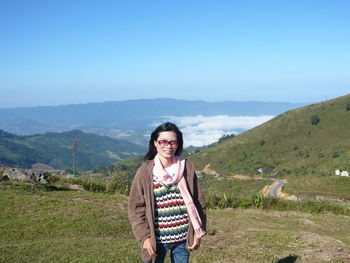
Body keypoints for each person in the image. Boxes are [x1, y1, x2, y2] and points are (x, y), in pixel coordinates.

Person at [128, 122, 206, 263]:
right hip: (157, 241)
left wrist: (198, 231)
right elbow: (135, 208)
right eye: (163, 141)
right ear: (155, 143)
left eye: (173, 142)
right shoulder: (145, 171)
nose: (168, 146)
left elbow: (198, 202)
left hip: (183, 239)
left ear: (178, 144)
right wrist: (144, 237)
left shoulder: (186, 167)